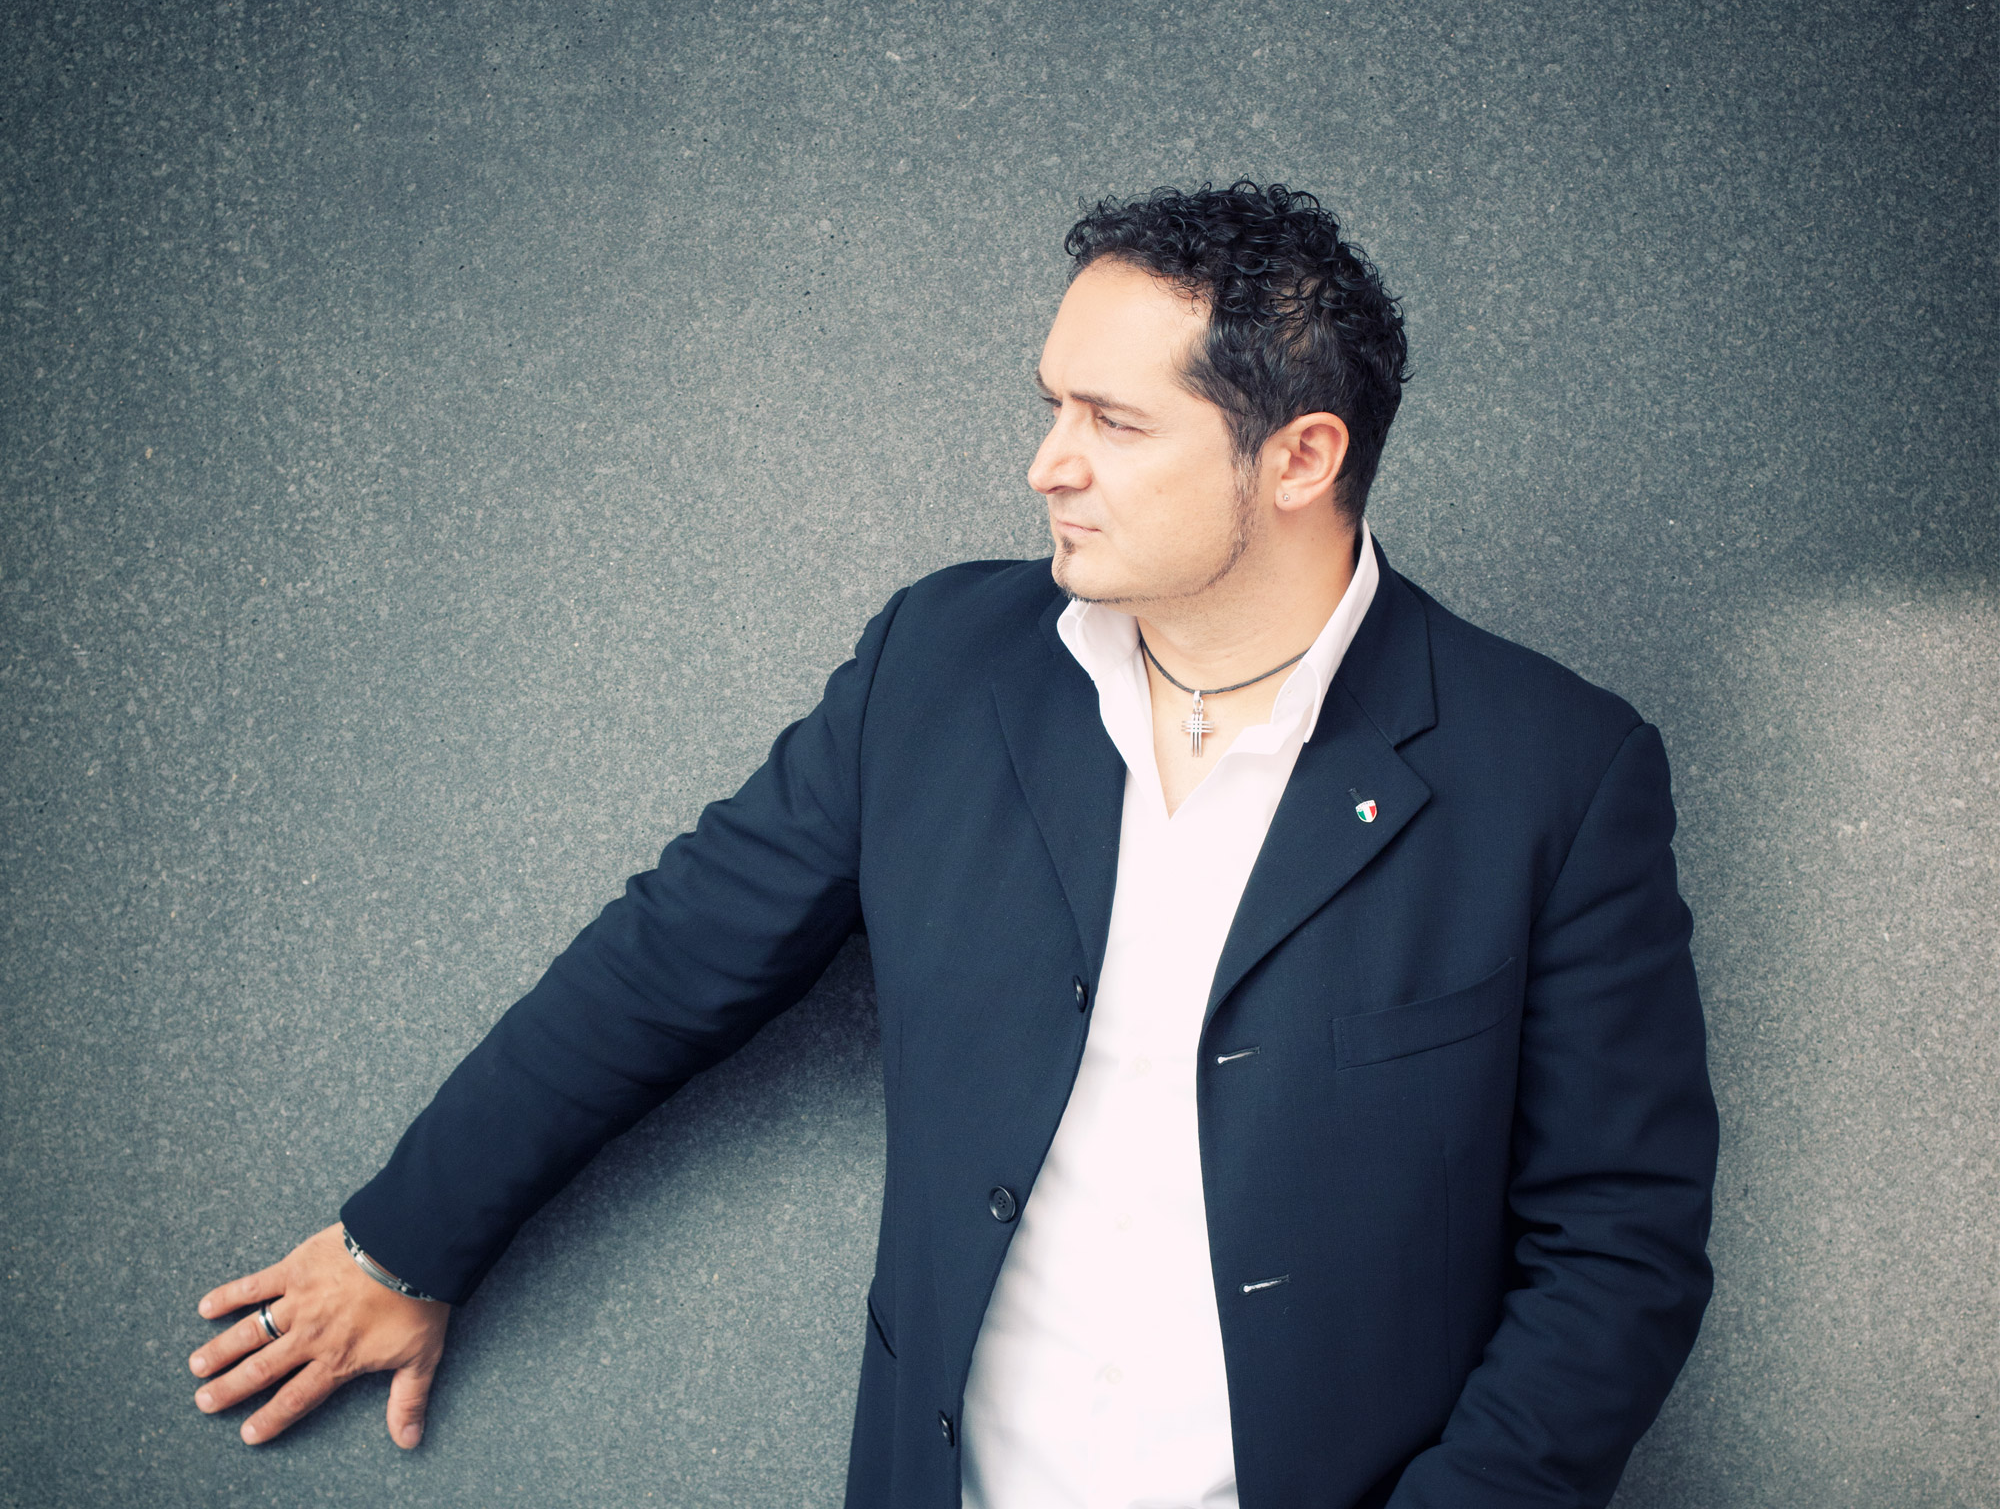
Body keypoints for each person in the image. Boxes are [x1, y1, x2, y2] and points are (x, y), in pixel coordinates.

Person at [187, 180, 1718, 1509]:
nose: (1049, 462)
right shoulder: (940, 665)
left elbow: (1618, 1245)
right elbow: (667, 958)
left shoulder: (1554, 773)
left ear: (1300, 457)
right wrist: (405, 1243)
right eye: (1054, 405)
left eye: (1113, 422)